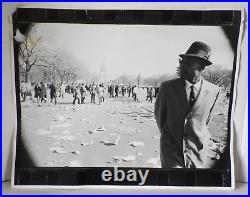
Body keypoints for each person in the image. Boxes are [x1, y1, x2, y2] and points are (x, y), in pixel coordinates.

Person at [154, 41, 220, 168]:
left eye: (189, 63)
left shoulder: (214, 91)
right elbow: (160, 119)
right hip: (171, 153)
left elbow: (205, 122)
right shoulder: (167, 88)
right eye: (181, 61)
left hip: (198, 153)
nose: (182, 66)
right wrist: (170, 139)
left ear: (202, 67)